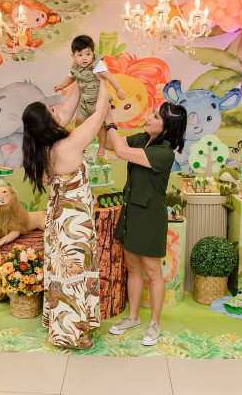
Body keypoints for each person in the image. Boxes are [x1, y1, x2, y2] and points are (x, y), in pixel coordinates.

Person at [22, 74, 111, 349]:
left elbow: (68, 108)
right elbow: (99, 113)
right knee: (72, 275)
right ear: (48, 121)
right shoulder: (68, 144)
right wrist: (104, 79)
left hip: (59, 220)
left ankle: (72, 328)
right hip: (74, 222)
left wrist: (82, 80)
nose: (56, 109)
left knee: (67, 274)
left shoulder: (43, 145)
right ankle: (69, 335)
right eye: (51, 110)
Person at [103, 101, 187, 346]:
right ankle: (133, 318)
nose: (149, 117)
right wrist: (101, 116)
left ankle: (154, 323)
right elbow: (110, 144)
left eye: (156, 116)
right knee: (132, 268)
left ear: (167, 128)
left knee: (152, 271)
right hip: (131, 211)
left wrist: (109, 121)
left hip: (150, 217)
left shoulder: (164, 153)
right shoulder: (143, 139)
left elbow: (121, 151)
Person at [53, 34, 126, 157]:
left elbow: (109, 76)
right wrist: (62, 86)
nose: (84, 58)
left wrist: (118, 89)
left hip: (98, 102)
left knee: (101, 127)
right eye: (80, 55)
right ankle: (79, 143)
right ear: (73, 56)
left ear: (93, 53)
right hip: (85, 102)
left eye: (88, 54)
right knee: (78, 120)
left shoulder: (97, 64)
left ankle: (102, 146)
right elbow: (70, 78)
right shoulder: (75, 68)